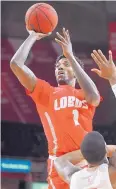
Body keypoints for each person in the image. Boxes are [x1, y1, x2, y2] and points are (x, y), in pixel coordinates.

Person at [10, 28, 100, 189]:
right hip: (59, 163)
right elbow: (16, 64)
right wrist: (32, 36)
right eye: (57, 66)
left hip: (86, 160)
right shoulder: (47, 93)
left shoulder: (84, 95)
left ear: (76, 71)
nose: (59, 68)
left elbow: (94, 97)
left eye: (65, 65)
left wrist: (70, 55)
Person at [54, 50, 116, 189]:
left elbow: (59, 161)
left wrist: (95, 150)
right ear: (105, 152)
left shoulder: (75, 178)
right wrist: (114, 78)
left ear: (84, 157)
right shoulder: (115, 172)